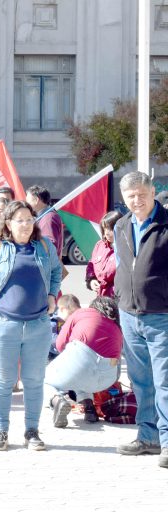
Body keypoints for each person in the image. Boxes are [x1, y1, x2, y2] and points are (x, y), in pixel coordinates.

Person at [0, 200, 62, 451]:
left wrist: (53, 294)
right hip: (3, 324)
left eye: (29, 219)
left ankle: (32, 431)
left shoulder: (44, 247)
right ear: (8, 224)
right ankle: (0, 431)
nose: (25, 224)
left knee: (33, 380)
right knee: (3, 380)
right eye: (19, 220)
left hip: (38, 325)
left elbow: (56, 271)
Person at [112, 171, 168, 468]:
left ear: (151, 192)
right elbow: (122, 264)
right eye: (130, 196)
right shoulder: (121, 226)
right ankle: (148, 437)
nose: (136, 201)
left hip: (162, 316)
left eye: (141, 194)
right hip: (129, 315)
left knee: (165, 381)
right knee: (141, 381)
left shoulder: (166, 223)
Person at [44, 295, 123, 428]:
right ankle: (89, 408)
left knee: (41, 378)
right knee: (81, 376)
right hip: (108, 379)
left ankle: (57, 401)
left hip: (80, 365)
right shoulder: (117, 327)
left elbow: (59, 344)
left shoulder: (81, 313)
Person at [85, 211, 121, 298]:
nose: (107, 233)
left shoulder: (126, 247)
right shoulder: (100, 245)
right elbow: (91, 265)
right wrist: (91, 280)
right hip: (101, 298)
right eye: (105, 229)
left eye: (110, 229)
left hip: (119, 300)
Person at [26, 185, 64, 258]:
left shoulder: (48, 218)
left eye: (28, 201)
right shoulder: (46, 216)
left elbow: (49, 246)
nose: (26, 205)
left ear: (36, 200)